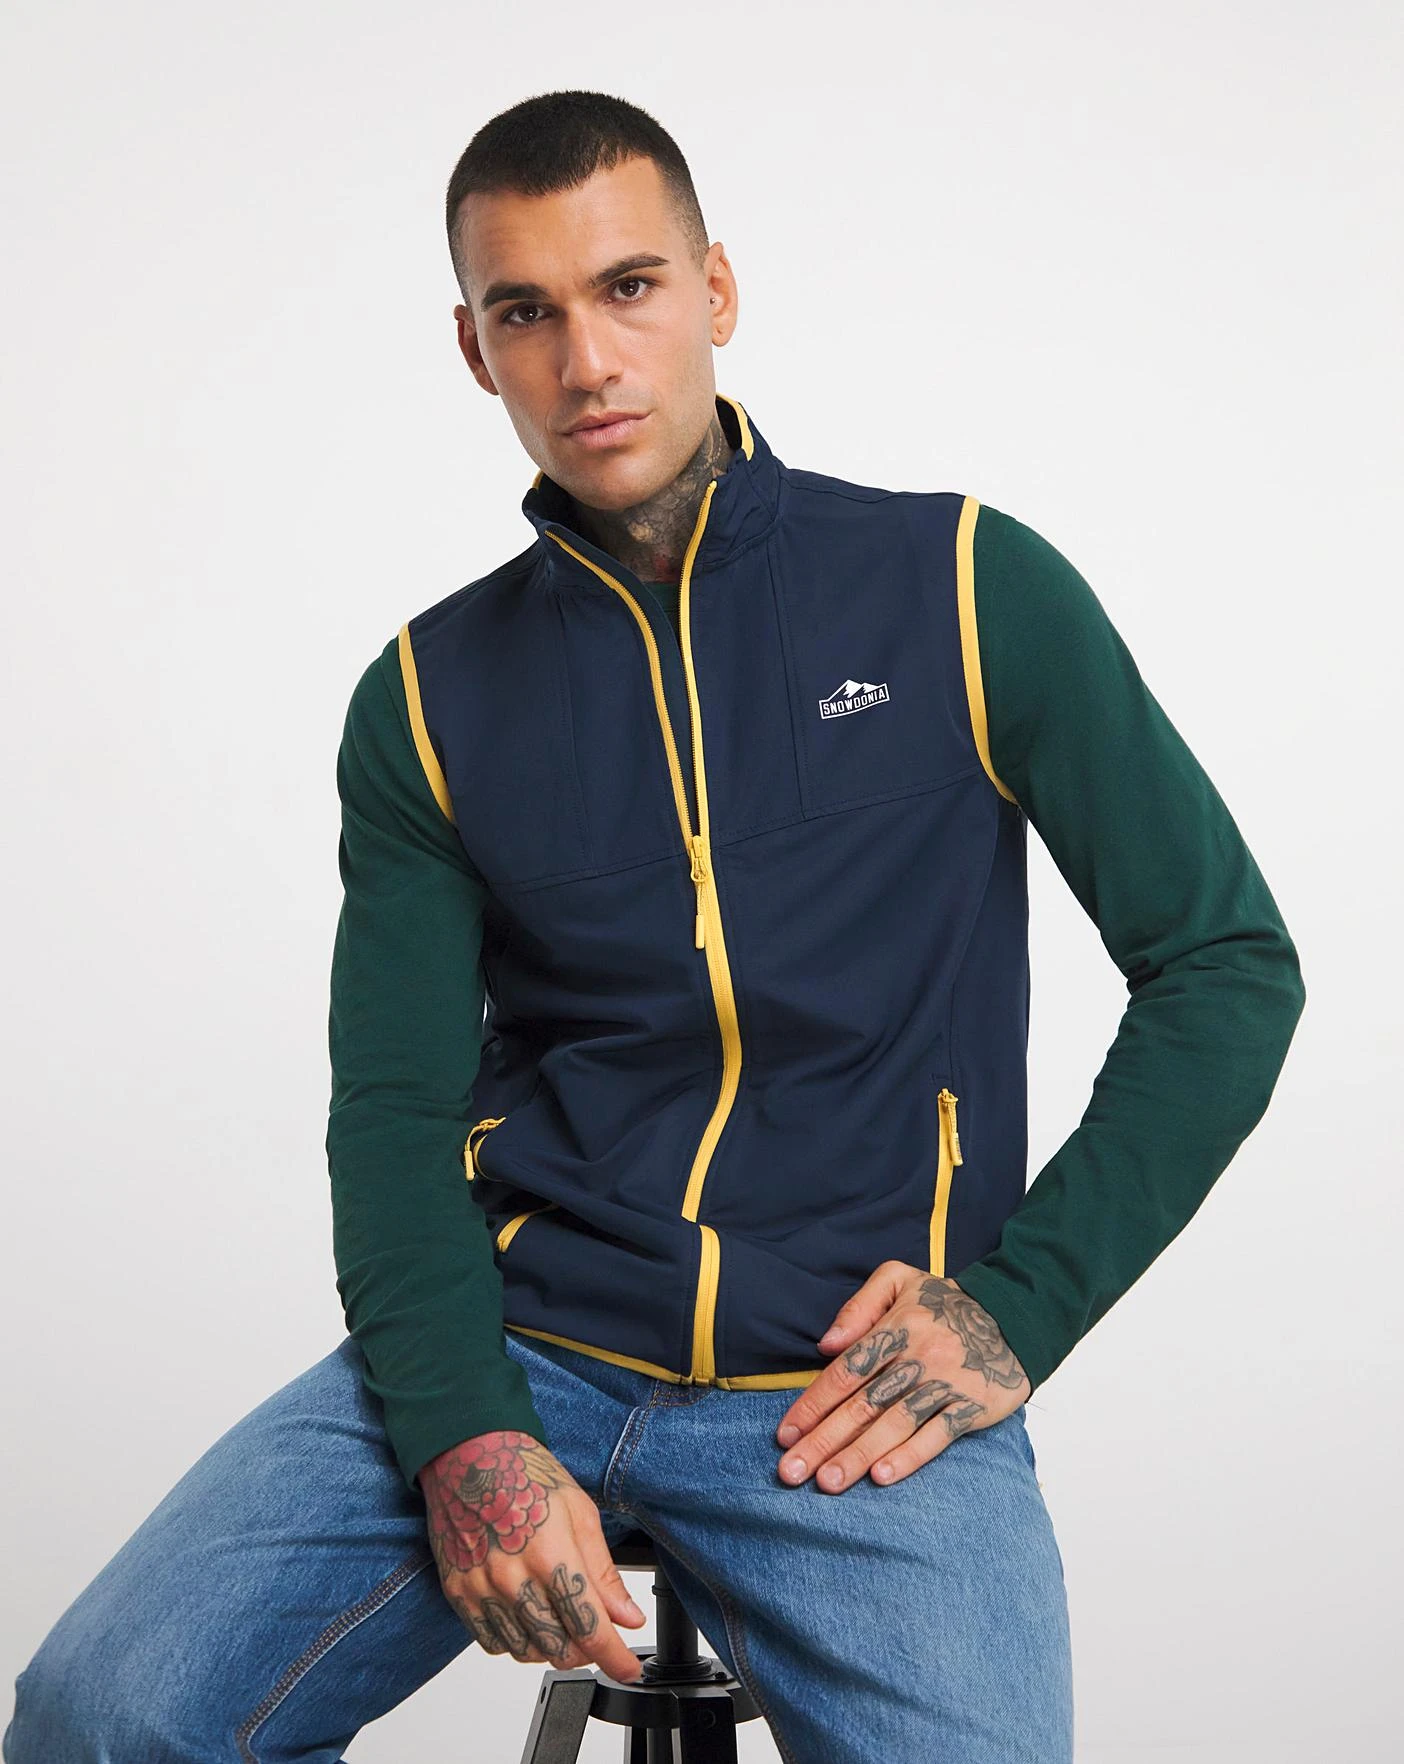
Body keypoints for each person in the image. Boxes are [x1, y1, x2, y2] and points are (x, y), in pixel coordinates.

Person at [4, 88, 1306, 1764]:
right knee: (104, 1712)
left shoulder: (970, 588)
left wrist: (1021, 1306)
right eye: (525, 312)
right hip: (525, 1352)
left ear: (717, 291)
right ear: (474, 350)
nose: (587, 361)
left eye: (628, 289)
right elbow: (392, 1115)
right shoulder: (426, 700)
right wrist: (465, 1432)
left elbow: (1224, 966)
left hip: (846, 1390)